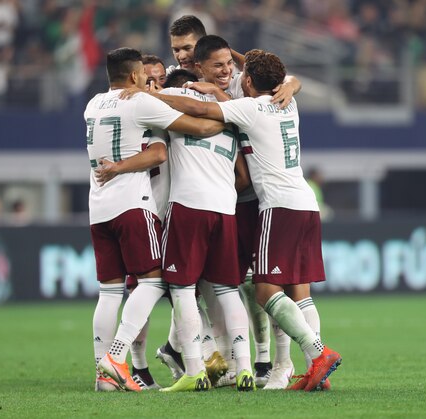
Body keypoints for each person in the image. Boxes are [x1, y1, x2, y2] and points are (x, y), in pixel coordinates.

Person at [151, 49, 342, 392]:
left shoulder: (251, 108)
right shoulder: (288, 101)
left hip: (278, 207)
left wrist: (152, 95)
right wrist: (281, 77)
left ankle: (317, 353)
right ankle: (315, 370)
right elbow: (275, 77)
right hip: (306, 204)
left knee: (265, 290)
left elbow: (200, 109)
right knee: (299, 292)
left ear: (249, 80)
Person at [87, 47, 225, 392]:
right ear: (134, 76)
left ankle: (103, 375)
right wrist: (229, 116)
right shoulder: (141, 103)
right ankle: (116, 358)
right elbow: (198, 127)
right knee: (154, 281)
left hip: (98, 207)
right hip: (133, 205)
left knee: (109, 291)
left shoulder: (92, 105)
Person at [153, 69, 254, 392]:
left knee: (181, 290)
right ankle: (245, 368)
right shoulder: (229, 111)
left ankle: (194, 370)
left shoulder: (175, 105)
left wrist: (150, 93)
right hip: (225, 208)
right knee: (227, 291)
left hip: (188, 205)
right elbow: (243, 176)